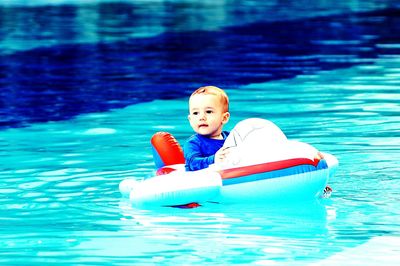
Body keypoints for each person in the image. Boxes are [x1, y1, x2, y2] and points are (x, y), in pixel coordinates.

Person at [184, 86, 231, 171]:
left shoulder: (232, 138)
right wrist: (213, 160)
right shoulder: (193, 143)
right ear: (190, 120)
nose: (201, 117)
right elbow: (193, 164)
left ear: (224, 118)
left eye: (208, 112)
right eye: (195, 113)